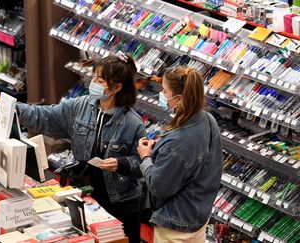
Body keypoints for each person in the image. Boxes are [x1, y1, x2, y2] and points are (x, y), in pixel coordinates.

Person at [16, 53, 146, 242]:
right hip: (86, 196)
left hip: (120, 204)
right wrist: (14, 108)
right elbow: (45, 116)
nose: (92, 82)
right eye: (93, 76)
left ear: (117, 87)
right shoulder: (79, 106)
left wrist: (121, 163)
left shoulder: (133, 123)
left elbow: (141, 163)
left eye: (99, 80)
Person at [137, 66, 223, 242]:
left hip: (175, 226)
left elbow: (159, 187)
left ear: (180, 98)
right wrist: (162, 147)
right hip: (197, 215)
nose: (162, 94)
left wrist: (145, 157)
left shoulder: (179, 141)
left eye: (165, 90)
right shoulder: (207, 119)